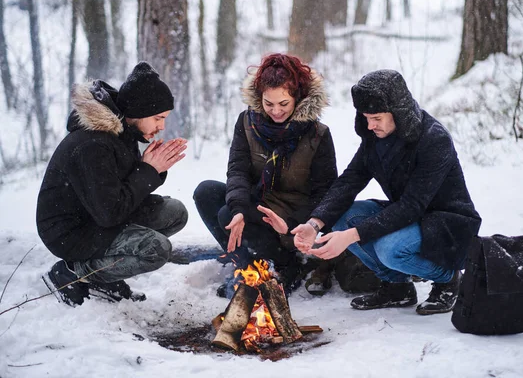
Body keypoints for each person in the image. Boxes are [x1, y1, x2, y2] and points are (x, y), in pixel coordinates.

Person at [293, 69, 482, 315]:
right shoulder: (374, 137)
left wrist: (352, 236)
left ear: (398, 111)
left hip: (446, 222)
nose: (370, 125)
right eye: (365, 117)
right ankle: (397, 287)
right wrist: (315, 223)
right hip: (409, 215)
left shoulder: (434, 139)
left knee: (390, 249)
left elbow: (412, 205)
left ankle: (447, 278)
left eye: (377, 118)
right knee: (340, 218)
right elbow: (350, 180)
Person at [37, 62, 189, 307]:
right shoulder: (93, 145)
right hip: (72, 232)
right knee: (156, 249)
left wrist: (152, 169)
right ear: (138, 112)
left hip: (96, 216)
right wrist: (148, 170)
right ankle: (73, 273)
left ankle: (104, 273)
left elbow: (121, 191)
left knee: (175, 213)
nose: (161, 127)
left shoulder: (122, 132)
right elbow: (110, 212)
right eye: (158, 118)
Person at [193, 53, 337, 296]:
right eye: (269, 104)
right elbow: (237, 169)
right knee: (207, 194)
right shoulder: (247, 122)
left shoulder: (317, 134)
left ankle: (285, 267)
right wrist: (240, 207)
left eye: (284, 104)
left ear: (298, 98)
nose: (276, 112)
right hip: (257, 202)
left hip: (292, 218)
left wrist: (292, 225)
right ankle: (247, 269)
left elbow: (326, 193)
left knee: (227, 212)